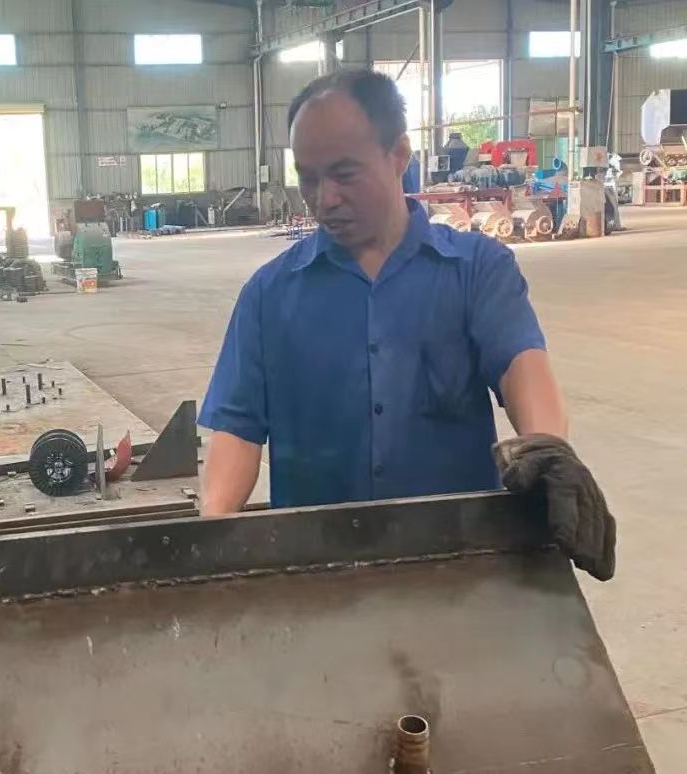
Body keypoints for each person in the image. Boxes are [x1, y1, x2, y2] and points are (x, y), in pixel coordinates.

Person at [199, 70, 614, 581]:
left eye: (344, 174)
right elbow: (237, 429)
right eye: (308, 178)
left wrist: (548, 449)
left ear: (398, 155)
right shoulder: (269, 295)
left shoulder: (476, 271)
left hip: (461, 568)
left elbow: (520, 364)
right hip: (318, 577)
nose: (324, 198)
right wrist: (211, 544)